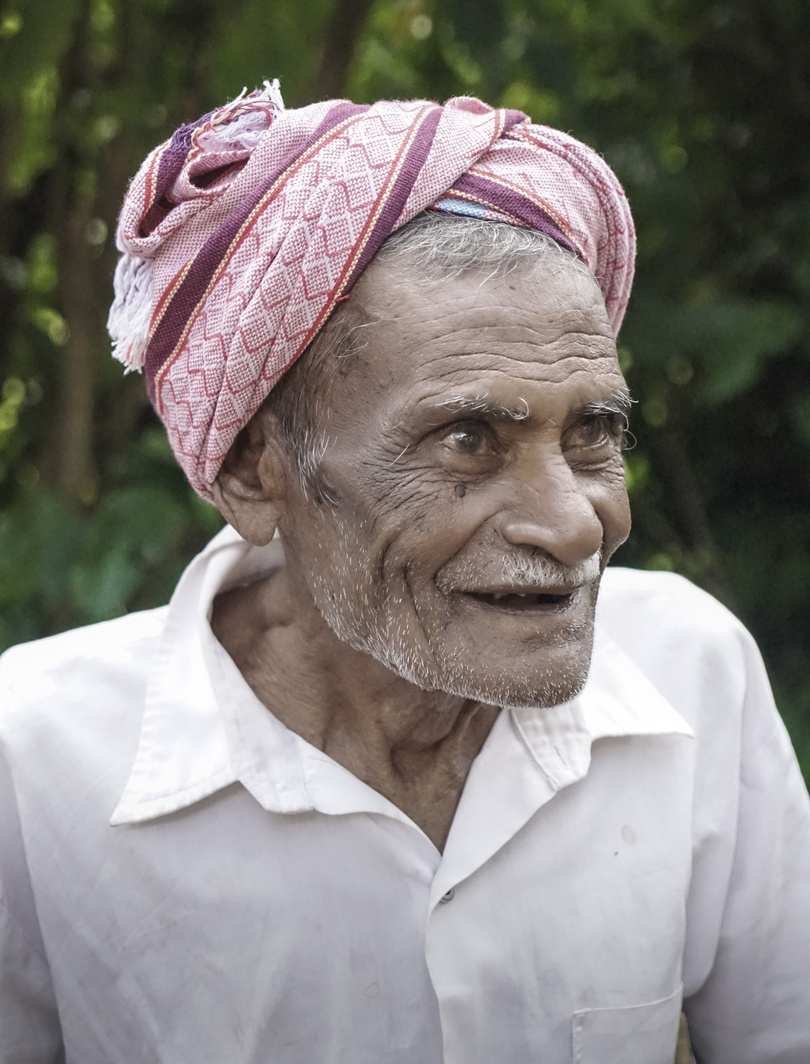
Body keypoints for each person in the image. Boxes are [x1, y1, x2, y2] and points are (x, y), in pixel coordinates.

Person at [0, 83, 808, 1064]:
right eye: (466, 440)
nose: (575, 521)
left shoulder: (693, 671)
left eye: (594, 433)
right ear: (258, 470)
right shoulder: (34, 763)